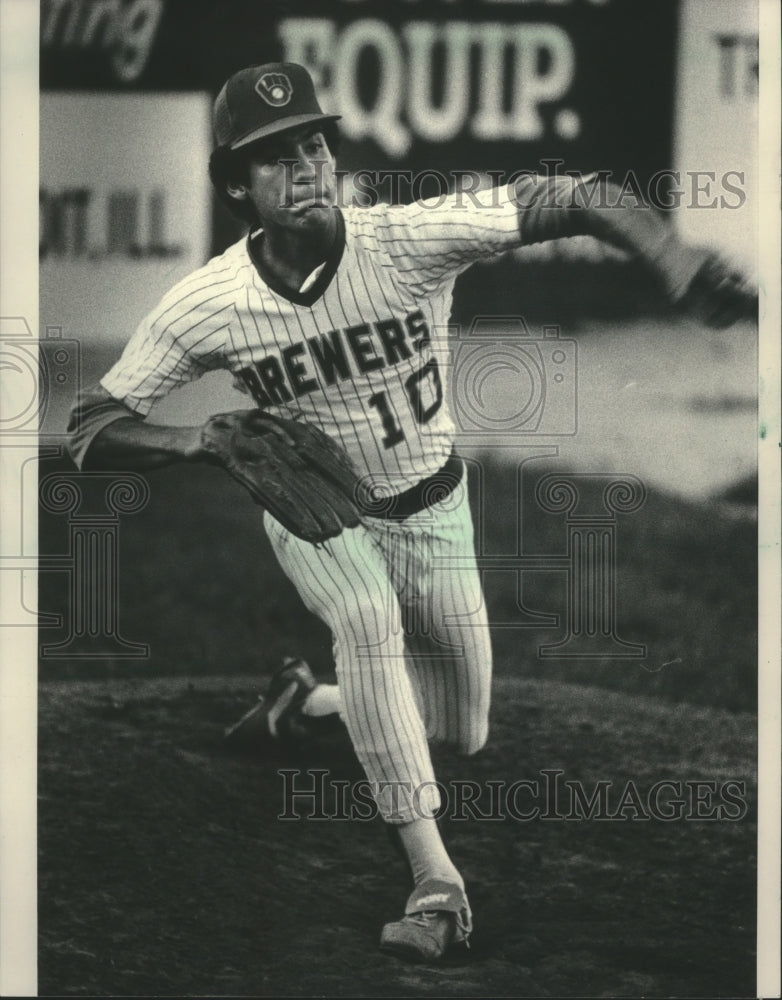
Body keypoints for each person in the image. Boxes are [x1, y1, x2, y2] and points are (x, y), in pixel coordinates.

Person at [67, 61, 753, 963]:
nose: (305, 166)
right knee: (364, 616)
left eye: (314, 144)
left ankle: (306, 704)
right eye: (275, 156)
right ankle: (436, 883)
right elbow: (91, 427)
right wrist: (195, 442)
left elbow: (575, 196)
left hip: (436, 510)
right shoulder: (209, 303)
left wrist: (670, 256)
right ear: (235, 185)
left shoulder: (406, 240)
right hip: (320, 514)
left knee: (461, 729)